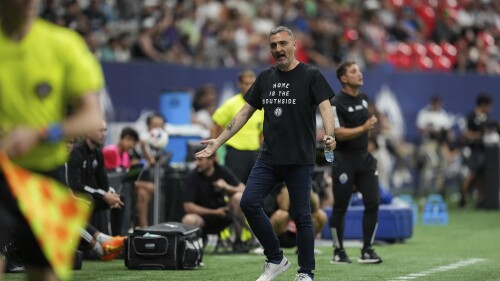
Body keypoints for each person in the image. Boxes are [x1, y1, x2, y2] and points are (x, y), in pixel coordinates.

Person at [196, 26, 336, 281]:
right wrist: (218, 141)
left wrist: (330, 135)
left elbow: (326, 107)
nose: (278, 49)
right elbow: (243, 114)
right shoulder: (265, 78)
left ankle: (305, 273)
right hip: (269, 157)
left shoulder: (311, 75)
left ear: (294, 45)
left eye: (283, 44)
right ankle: (275, 258)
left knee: (303, 215)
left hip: (300, 159)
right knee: (248, 202)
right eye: (273, 46)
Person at [0, 0, 104, 279]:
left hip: (46, 175)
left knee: (44, 272)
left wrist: (41, 133)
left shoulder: (62, 44)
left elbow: (91, 117)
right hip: (3, 170)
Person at [328, 61, 382, 265]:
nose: (359, 74)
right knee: (340, 207)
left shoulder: (364, 99)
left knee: (373, 202)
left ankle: (367, 249)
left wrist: (369, 128)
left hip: (364, 159)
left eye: (359, 71)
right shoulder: (334, 103)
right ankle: (338, 251)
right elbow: (337, 133)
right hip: (344, 161)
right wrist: (364, 127)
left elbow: (366, 127)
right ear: (343, 78)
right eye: (353, 71)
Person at [67, 120, 125, 235]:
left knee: (120, 199)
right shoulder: (77, 152)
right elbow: (76, 185)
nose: (104, 134)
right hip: (79, 194)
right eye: (100, 130)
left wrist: (110, 194)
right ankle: (84, 244)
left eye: (105, 130)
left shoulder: (98, 153)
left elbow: (103, 181)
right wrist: (103, 195)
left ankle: (116, 240)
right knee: (89, 199)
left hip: (93, 194)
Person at [181, 151, 248, 252]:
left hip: (225, 215)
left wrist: (227, 187)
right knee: (188, 219)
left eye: (200, 160)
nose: (197, 163)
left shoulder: (222, 171)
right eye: (196, 160)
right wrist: (215, 212)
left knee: (239, 197)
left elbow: (243, 189)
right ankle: (195, 246)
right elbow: (188, 206)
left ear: (212, 160)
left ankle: (239, 241)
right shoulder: (192, 177)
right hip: (203, 218)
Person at [211, 70, 264, 184]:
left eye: (252, 83)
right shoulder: (231, 104)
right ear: (239, 85)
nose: (249, 86)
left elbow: (262, 131)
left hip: (254, 154)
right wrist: (214, 150)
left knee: (254, 187)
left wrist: (262, 150)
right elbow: (216, 125)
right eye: (246, 83)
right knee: (234, 187)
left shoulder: (261, 105)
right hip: (235, 153)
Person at [103, 126, 155, 228]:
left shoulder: (126, 154)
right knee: (143, 191)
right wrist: (145, 184)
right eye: (128, 140)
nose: (131, 144)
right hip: (110, 187)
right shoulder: (111, 151)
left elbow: (126, 176)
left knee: (143, 193)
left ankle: (142, 226)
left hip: (123, 187)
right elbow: (116, 177)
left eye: (134, 142)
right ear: (121, 139)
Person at [264, 183, 327, 251]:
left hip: (301, 230)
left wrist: (307, 188)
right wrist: (288, 187)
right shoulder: (278, 184)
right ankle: (267, 246)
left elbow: (316, 207)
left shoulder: (308, 182)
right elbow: (283, 207)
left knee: (321, 215)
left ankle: (307, 246)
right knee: (281, 214)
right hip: (280, 233)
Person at [460, 94, 495, 208]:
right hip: (471, 150)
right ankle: (462, 200)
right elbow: (465, 134)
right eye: (489, 106)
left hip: (485, 151)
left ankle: (480, 201)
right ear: (483, 105)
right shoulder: (469, 117)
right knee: (470, 175)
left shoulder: (489, 119)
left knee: (483, 177)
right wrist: (480, 135)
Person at [415, 95, 455, 197]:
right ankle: (426, 191)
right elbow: (419, 129)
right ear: (432, 103)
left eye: (439, 104)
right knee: (430, 163)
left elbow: (449, 132)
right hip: (429, 143)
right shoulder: (425, 113)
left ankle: (439, 190)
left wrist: (446, 134)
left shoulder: (443, 115)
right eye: (435, 103)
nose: (437, 105)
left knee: (443, 164)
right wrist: (431, 130)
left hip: (441, 143)